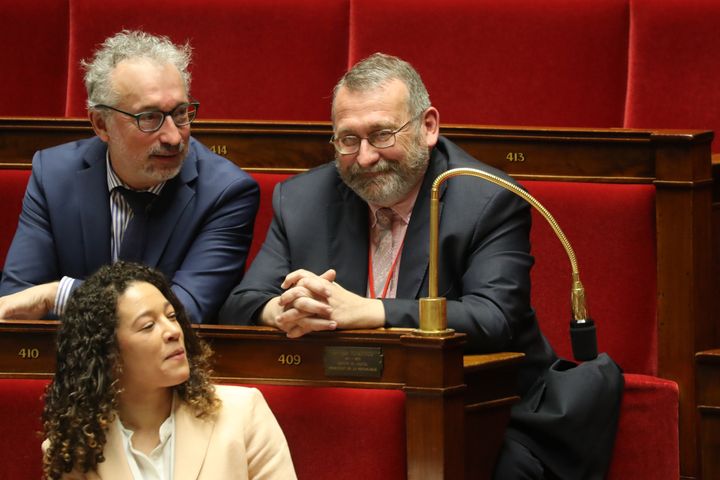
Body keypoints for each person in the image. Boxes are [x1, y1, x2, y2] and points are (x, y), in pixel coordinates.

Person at [219, 53, 621, 479]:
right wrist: (284, 310)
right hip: (353, 404)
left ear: (428, 127)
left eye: (382, 134)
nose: (366, 157)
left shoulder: (485, 199)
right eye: (348, 140)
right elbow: (241, 303)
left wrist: (370, 312)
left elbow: (496, 317)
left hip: (483, 408)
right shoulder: (302, 200)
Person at [0, 30, 259, 323]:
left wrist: (58, 294)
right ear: (101, 125)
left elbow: (182, 312)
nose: (174, 137)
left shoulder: (226, 192)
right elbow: (17, 298)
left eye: (181, 113)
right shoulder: (54, 175)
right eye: (149, 117)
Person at [42, 261, 296, 479]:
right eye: (148, 325)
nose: (174, 332)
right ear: (107, 352)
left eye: (172, 316)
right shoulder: (73, 446)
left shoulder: (243, 412)